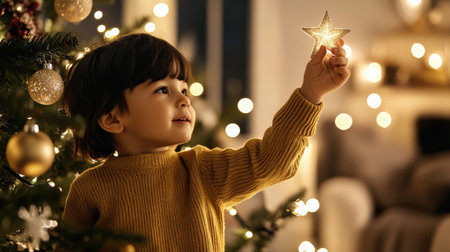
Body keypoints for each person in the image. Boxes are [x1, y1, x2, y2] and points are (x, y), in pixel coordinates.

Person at [61, 33, 350, 251]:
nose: (184, 99)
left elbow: (272, 162)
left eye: (184, 88)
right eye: (163, 89)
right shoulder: (89, 189)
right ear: (112, 119)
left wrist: (310, 94)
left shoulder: (202, 170)